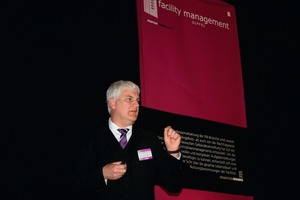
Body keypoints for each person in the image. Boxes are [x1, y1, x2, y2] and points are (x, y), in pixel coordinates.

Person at [71, 80, 182, 200]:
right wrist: (102, 174)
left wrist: (173, 152)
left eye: (137, 100)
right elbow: (75, 184)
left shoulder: (149, 139)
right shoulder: (91, 140)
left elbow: (173, 186)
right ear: (113, 103)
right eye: (129, 99)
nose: (137, 105)